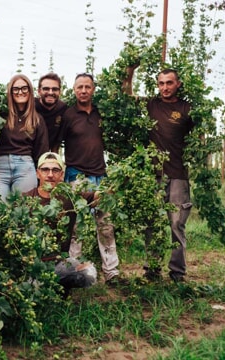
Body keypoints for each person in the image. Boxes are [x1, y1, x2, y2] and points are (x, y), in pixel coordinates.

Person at [123, 66, 194, 283]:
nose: (165, 87)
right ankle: (152, 270)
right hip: (152, 176)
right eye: (161, 83)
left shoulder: (187, 109)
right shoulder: (151, 104)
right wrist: (130, 70)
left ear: (178, 84)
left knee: (176, 225)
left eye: (169, 83)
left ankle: (177, 274)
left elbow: (198, 140)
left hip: (178, 175)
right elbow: (127, 95)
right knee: (152, 223)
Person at [58, 73, 120, 286]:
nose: (83, 91)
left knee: (105, 225)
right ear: (73, 90)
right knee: (77, 227)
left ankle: (111, 273)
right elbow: (57, 144)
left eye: (87, 87)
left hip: (100, 177)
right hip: (76, 176)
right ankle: (75, 273)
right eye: (79, 87)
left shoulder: (101, 114)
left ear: (93, 89)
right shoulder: (68, 115)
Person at [23, 152, 98, 292]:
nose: (50, 174)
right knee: (31, 287)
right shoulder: (25, 200)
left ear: (62, 175)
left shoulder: (69, 197)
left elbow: (98, 197)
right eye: (45, 169)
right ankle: (45, 287)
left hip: (59, 262)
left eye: (55, 170)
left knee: (89, 274)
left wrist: (123, 178)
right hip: (33, 264)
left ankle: (58, 288)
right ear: (38, 173)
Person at [0, 74, 49, 201]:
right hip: (0, 166)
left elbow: (41, 150)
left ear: (30, 91)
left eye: (24, 88)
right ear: (10, 92)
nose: (20, 92)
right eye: (16, 89)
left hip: (25, 165)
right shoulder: (1, 114)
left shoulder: (36, 119)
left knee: (24, 208)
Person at [35, 73, 68, 153]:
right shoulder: (31, 106)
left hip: (46, 154)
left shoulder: (63, 109)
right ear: (39, 91)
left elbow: (57, 142)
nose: (50, 92)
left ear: (60, 92)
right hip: (28, 154)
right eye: (46, 89)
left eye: (54, 89)